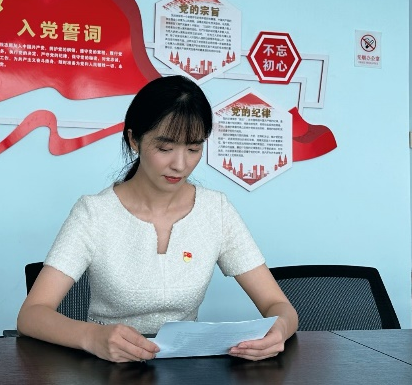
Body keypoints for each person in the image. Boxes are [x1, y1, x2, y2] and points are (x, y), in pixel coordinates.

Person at [17, 75, 298, 363]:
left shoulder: (216, 211)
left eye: (193, 149)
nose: (180, 164)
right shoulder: (94, 213)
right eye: (165, 148)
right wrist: (92, 337)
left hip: (184, 368)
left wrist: (279, 330)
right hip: (107, 368)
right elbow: (31, 315)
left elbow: (278, 305)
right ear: (134, 140)